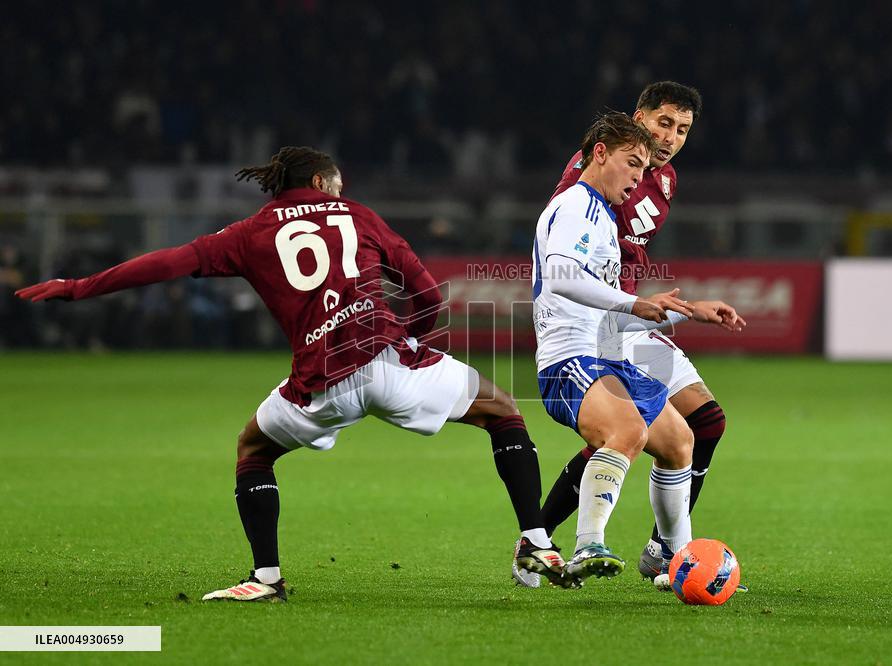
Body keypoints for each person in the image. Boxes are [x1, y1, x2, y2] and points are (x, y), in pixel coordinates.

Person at [16, 146, 567, 601]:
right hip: (393, 363)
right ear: (324, 181)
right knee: (503, 411)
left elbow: (166, 263)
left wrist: (78, 287)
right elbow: (427, 295)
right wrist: (414, 343)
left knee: (252, 450)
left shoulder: (247, 234)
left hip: (322, 384)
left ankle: (266, 580)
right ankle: (536, 539)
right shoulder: (358, 214)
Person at [516, 82, 746, 588]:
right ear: (637, 118)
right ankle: (553, 539)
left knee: (692, 430)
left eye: (682, 130)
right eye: (663, 124)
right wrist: (633, 304)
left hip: (627, 321)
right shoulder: (587, 187)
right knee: (624, 432)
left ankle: (670, 551)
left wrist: (683, 310)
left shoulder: (661, 183)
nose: (670, 139)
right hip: (600, 324)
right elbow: (564, 265)